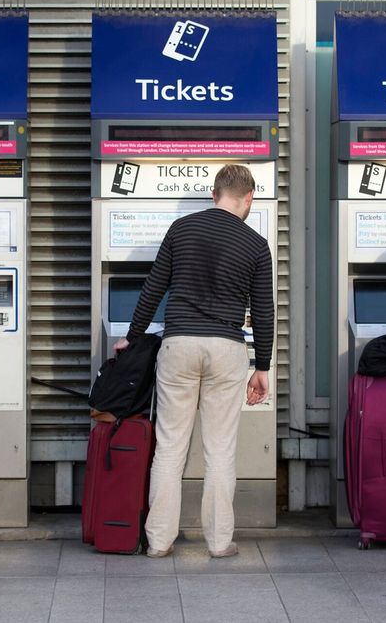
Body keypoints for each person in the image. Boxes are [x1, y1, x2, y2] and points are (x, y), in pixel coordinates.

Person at [114, 164, 274, 559]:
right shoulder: (256, 244)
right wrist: (263, 367)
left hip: (180, 342)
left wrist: (131, 338)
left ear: (213, 194)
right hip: (226, 348)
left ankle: (158, 541)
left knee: (169, 447)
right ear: (249, 197)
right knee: (220, 451)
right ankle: (219, 543)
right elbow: (265, 311)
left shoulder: (181, 230)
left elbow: (153, 289)